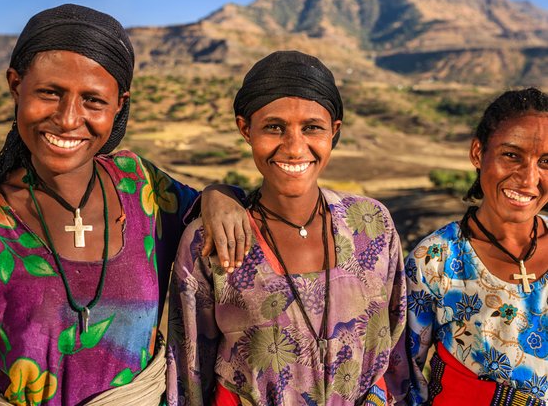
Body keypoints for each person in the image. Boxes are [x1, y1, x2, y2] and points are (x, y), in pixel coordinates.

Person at [0, 4, 250, 406]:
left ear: (120, 105)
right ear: (15, 85)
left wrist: (220, 193)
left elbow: (216, 208)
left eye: (93, 101)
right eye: (50, 93)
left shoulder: (140, 186)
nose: (67, 119)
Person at [167, 50, 408, 405]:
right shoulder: (210, 241)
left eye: (312, 127)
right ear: (245, 129)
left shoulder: (371, 226)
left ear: (333, 132)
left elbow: (395, 347)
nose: (295, 148)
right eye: (274, 127)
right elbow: (189, 371)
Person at [403, 88, 548, 405]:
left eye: (546, 161)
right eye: (511, 155)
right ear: (477, 153)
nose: (528, 179)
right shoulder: (435, 260)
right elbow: (405, 377)